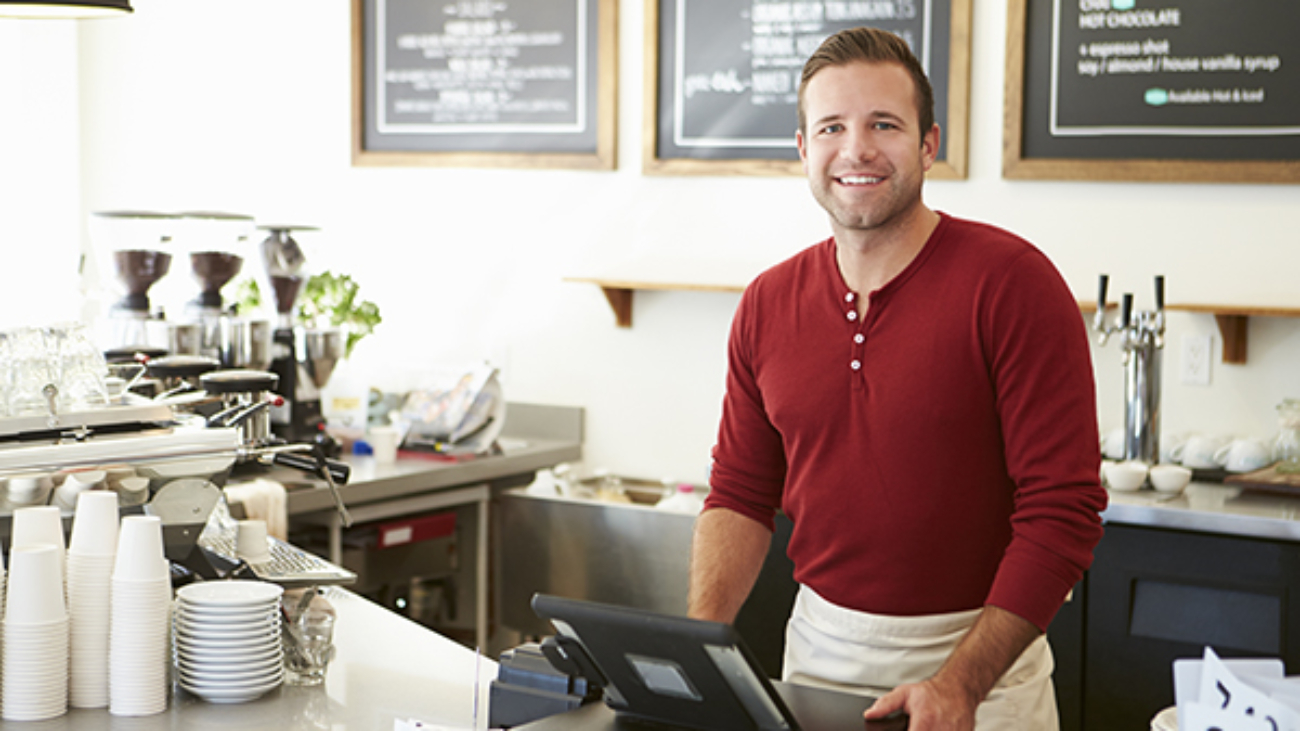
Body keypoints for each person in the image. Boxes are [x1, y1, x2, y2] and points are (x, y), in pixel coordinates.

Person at [688, 26, 1108, 731]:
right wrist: (696, 648)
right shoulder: (766, 302)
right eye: (831, 127)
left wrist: (961, 682)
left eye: (884, 123)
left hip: (983, 675)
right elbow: (739, 493)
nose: (856, 149)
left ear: (928, 143)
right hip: (819, 659)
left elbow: (1062, 509)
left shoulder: (1012, 284)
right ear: (803, 149)